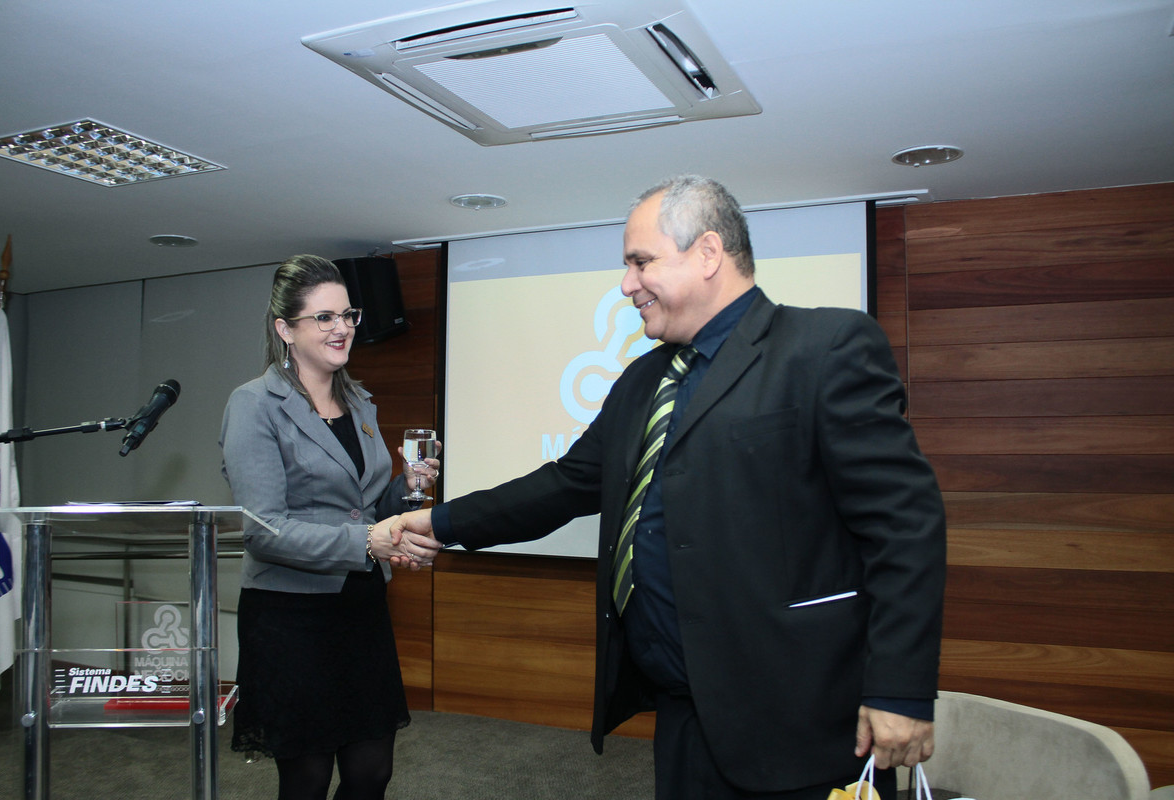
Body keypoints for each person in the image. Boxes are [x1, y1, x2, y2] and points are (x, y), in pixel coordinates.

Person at [391, 176, 946, 799]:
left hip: (798, 715)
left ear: (708, 253)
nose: (627, 284)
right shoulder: (642, 382)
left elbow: (905, 526)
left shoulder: (825, 348)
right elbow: (564, 484)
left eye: (640, 262)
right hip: (683, 709)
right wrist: (438, 524)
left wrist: (899, 688)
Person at [219, 254, 439, 800]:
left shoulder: (360, 401)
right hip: (290, 616)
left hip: (359, 608)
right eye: (323, 317)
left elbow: (364, 509)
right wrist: (368, 540)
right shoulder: (253, 405)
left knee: (372, 771)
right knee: (307, 777)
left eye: (347, 314)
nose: (341, 327)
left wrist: (405, 486)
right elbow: (262, 529)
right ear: (284, 329)